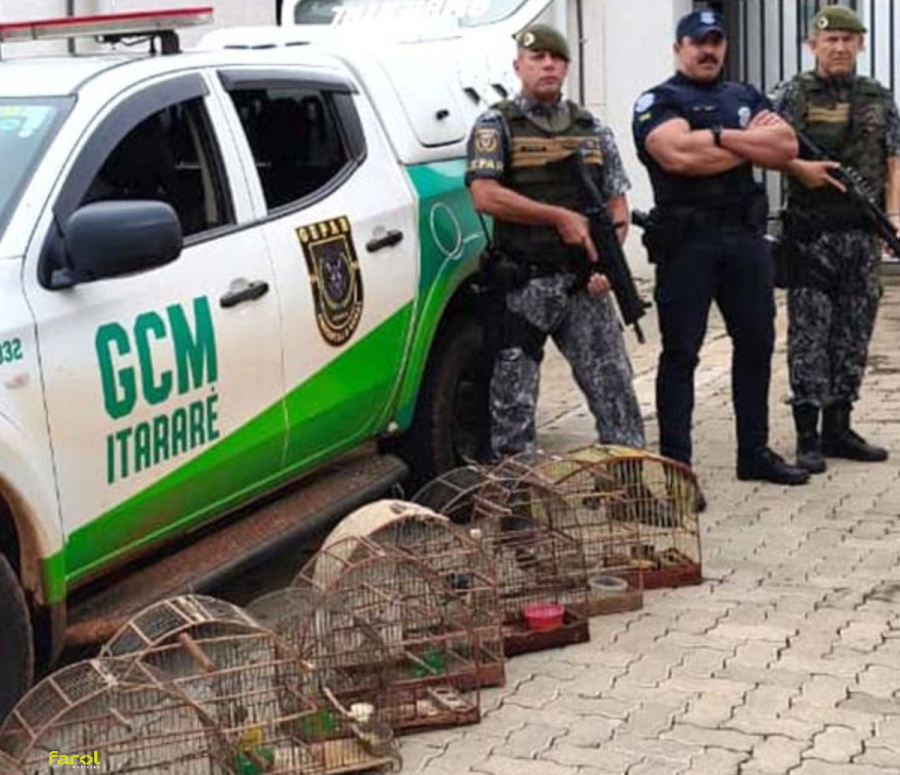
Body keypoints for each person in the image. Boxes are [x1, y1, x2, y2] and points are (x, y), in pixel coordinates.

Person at [632, 10, 809, 487]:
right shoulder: (659, 100)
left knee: (756, 345)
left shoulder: (744, 95)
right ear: (678, 47)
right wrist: (750, 141)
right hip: (688, 244)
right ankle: (677, 470)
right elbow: (678, 156)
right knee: (681, 354)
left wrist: (714, 137)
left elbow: (786, 149)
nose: (708, 50)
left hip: (745, 241)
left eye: (716, 41)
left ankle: (753, 453)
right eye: (697, 42)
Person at [465, 23, 645, 459]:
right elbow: (484, 194)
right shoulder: (496, 125)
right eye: (537, 58)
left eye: (556, 58)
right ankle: (516, 501)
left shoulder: (593, 129)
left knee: (615, 390)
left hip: (583, 285)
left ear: (566, 66)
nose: (547, 65)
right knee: (513, 404)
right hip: (524, 285)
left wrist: (604, 264)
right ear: (518, 65)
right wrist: (557, 217)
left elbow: (617, 209)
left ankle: (630, 486)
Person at [774, 5, 895, 474]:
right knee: (809, 335)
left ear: (860, 44)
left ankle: (839, 426)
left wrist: (894, 216)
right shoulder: (792, 94)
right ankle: (807, 434)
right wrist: (797, 167)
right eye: (831, 40)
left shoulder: (877, 95)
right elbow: (766, 147)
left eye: (848, 39)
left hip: (861, 234)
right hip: (812, 235)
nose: (840, 47)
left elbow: (893, 157)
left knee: (853, 334)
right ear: (813, 46)